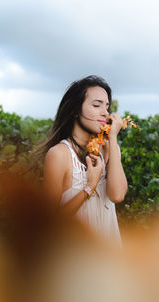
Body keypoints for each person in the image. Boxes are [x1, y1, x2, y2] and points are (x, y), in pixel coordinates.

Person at [43, 75, 128, 246]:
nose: (105, 112)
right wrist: (89, 187)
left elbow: (117, 195)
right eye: (96, 105)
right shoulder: (59, 154)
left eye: (106, 106)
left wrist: (113, 140)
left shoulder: (110, 148)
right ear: (75, 110)